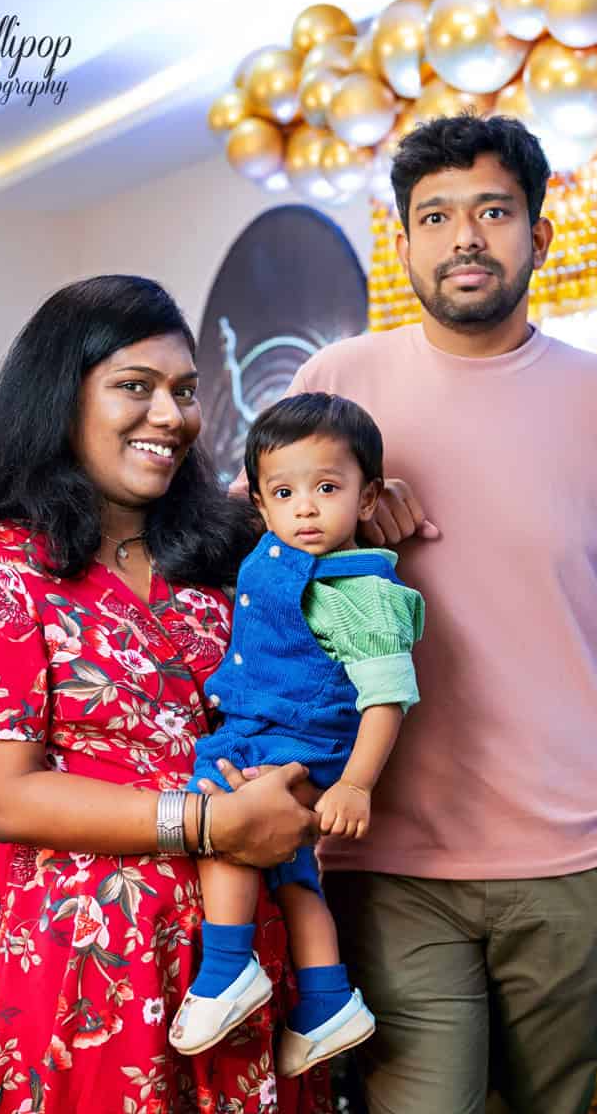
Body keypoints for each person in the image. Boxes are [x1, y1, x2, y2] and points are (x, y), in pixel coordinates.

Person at [229, 115, 597, 1114]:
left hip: (577, 855)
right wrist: (355, 532)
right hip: (383, 849)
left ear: (538, 229)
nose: (465, 237)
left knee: (551, 1103)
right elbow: (247, 578)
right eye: (435, 215)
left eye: (493, 210)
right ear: (403, 239)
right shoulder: (337, 384)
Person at [0, 275, 332, 1114]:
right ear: (61, 399)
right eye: (134, 387)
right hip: (85, 966)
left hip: (241, 953)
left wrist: (374, 504)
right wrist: (208, 823)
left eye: (183, 391)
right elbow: (7, 796)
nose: (170, 416)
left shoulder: (232, 553)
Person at [170, 394, 424, 1081]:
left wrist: (356, 783)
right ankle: (326, 1000)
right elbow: (250, 485)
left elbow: (387, 698)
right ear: (260, 503)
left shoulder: (361, 593)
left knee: (221, 822)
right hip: (272, 727)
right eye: (285, 494)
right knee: (293, 873)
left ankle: (226, 970)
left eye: (329, 489)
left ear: (368, 497)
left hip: (292, 742)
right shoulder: (272, 545)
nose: (306, 509)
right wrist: (262, 488)